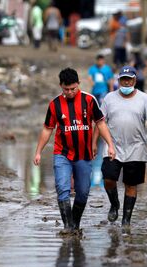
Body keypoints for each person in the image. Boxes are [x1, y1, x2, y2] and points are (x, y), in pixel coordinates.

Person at [34, 68, 116, 234]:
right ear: (61, 86)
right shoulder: (55, 104)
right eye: (66, 89)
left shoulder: (89, 100)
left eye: (73, 88)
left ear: (78, 84)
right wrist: (38, 152)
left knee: (83, 192)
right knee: (62, 187)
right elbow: (47, 129)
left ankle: (75, 224)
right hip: (62, 153)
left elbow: (100, 124)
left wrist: (110, 145)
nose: (70, 92)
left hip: (83, 155)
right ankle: (67, 227)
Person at [94, 66, 147, 229]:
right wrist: (94, 143)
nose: (126, 82)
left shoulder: (144, 99)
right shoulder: (109, 98)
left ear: (135, 80)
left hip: (136, 148)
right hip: (112, 147)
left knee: (131, 184)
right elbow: (100, 122)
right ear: (118, 81)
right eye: (123, 79)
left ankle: (126, 220)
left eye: (129, 79)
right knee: (108, 179)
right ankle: (114, 204)